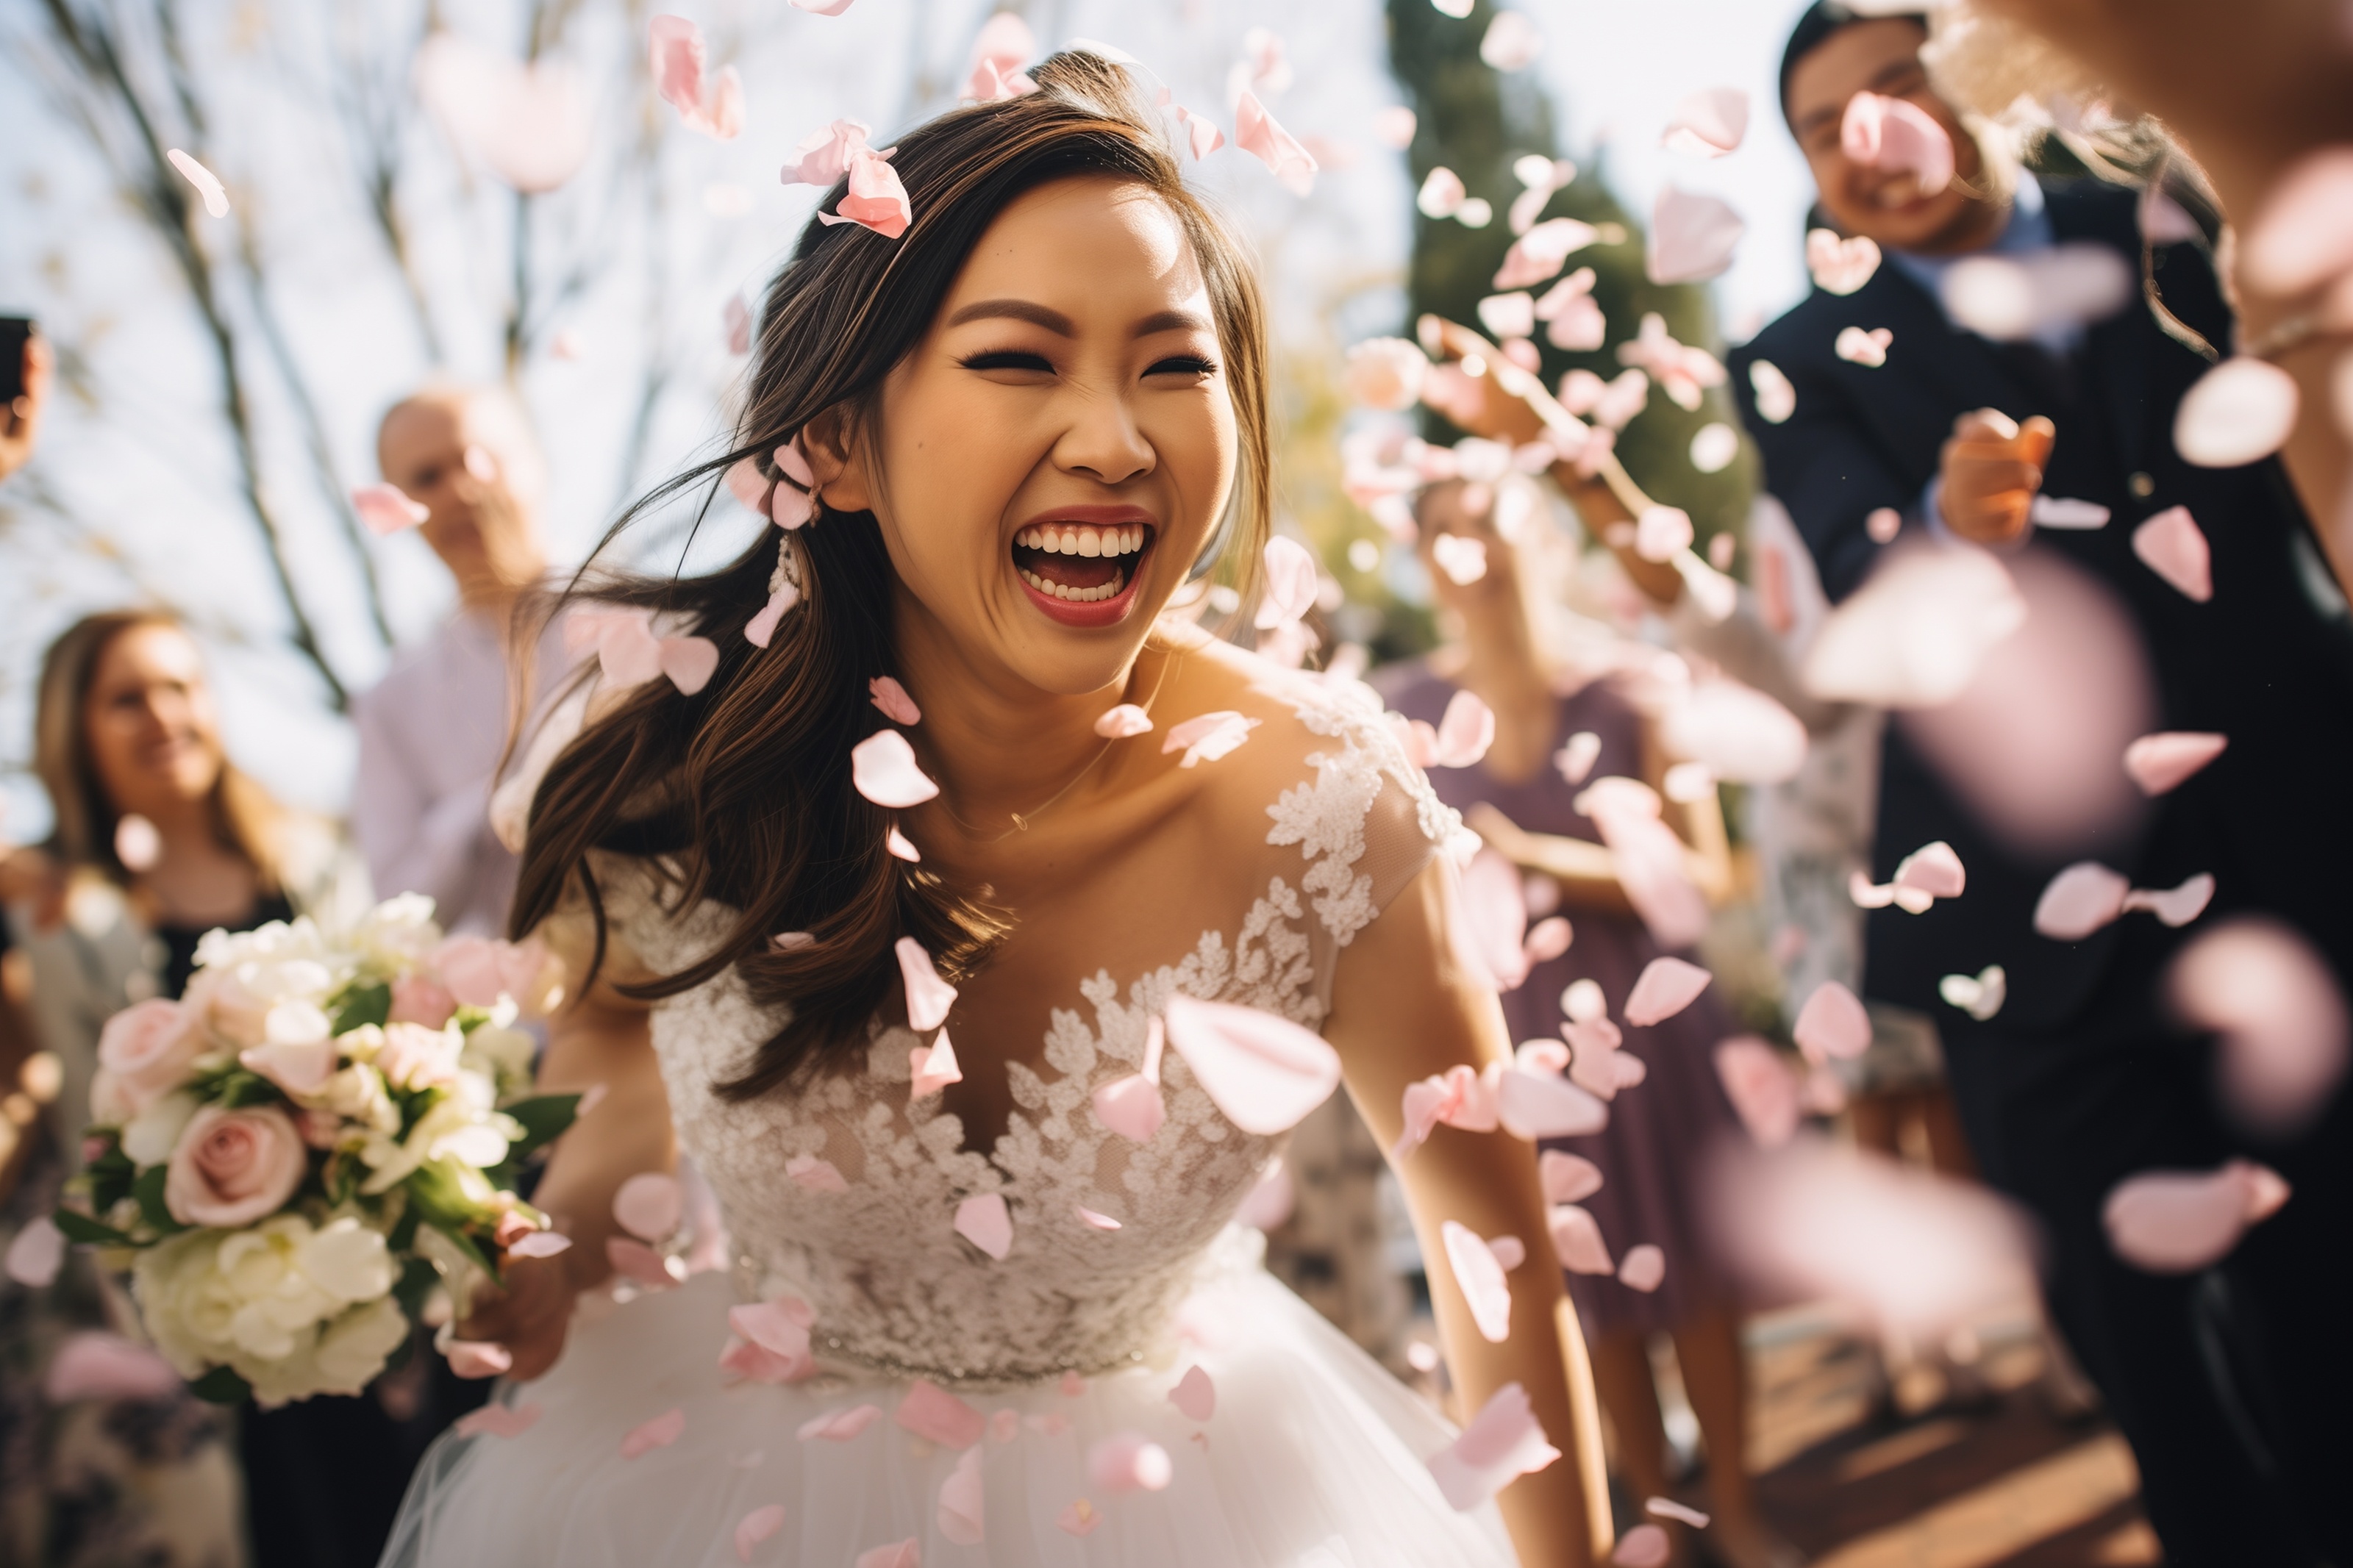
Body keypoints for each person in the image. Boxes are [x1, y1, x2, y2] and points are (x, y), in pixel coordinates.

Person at [383, 52, 1617, 1567]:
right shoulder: (668, 780)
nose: (1114, 438)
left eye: (1172, 364)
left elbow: (1497, 1273)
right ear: (832, 442)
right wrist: (554, 1252)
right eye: (1021, 359)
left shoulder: (1331, 811)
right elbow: (617, 1075)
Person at [1725, 9, 2353, 1564]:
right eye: (1822, 127)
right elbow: (1863, 585)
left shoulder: (2168, 210)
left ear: (1978, 76)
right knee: (2156, 1359)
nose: (1868, 136)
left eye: (1894, 84)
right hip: (2033, 939)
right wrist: (1940, 528)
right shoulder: (1795, 361)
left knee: (2341, 1301)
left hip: (2303, 849)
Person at [1377, 476, 1796, 1568]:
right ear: (1426, 559)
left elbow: (1703, 877)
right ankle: (1659, 1511)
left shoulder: (1635, 683)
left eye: (1495, 511)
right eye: (1448, 526)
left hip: (1654, 1032)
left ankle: (1739, 1513)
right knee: (1586, 1285)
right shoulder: (1401, 712)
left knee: (1695, 1279)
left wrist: (1538, 858)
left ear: (1549, 539)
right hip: (1513, 1041)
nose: (1477, 538)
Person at [0, 610, 374, 1568]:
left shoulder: (312, 865)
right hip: (171, 1296)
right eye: (127, 699)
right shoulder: (43, 906)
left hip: (350, 1263)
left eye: (181, 687)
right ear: (74, 730)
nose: (163, 715)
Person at [356, 384, 571, 939]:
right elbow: (401, 907)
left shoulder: (655, 620)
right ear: (400, 509)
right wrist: (495, 802)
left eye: (483, 458)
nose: (461, 488)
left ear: (537, 461)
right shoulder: (390, 703)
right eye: (427, 477)